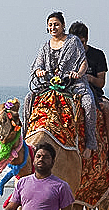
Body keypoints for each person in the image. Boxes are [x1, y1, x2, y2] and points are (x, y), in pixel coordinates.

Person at [22, 12, 97, 160]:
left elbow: (83, 62)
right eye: (50, 25)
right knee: (28, 99)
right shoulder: (45, 46)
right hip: (49, 84)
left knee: (88, 103)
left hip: (72, 83)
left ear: (63, 25)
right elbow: (37, 65)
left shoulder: (73, 41)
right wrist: (39, 72)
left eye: (56, 24)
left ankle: (90, 142)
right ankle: (24, 137)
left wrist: (79, 74)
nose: (53, 27)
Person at [69, 22, 109, 168]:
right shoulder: (67, 56)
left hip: (93, 92)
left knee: (108, 108)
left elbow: (101, 82)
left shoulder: (97, 55)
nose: (80, 46)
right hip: (71, 91)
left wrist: (87, 77)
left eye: (83, 42)